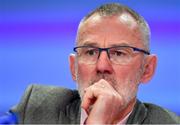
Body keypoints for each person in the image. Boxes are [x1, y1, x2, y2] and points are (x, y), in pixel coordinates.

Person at [1, 2, 179, 124]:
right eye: (90, 52)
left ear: (147, 69)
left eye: (118, 53)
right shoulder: (36, 106)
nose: (102, 66)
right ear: (74, 67)